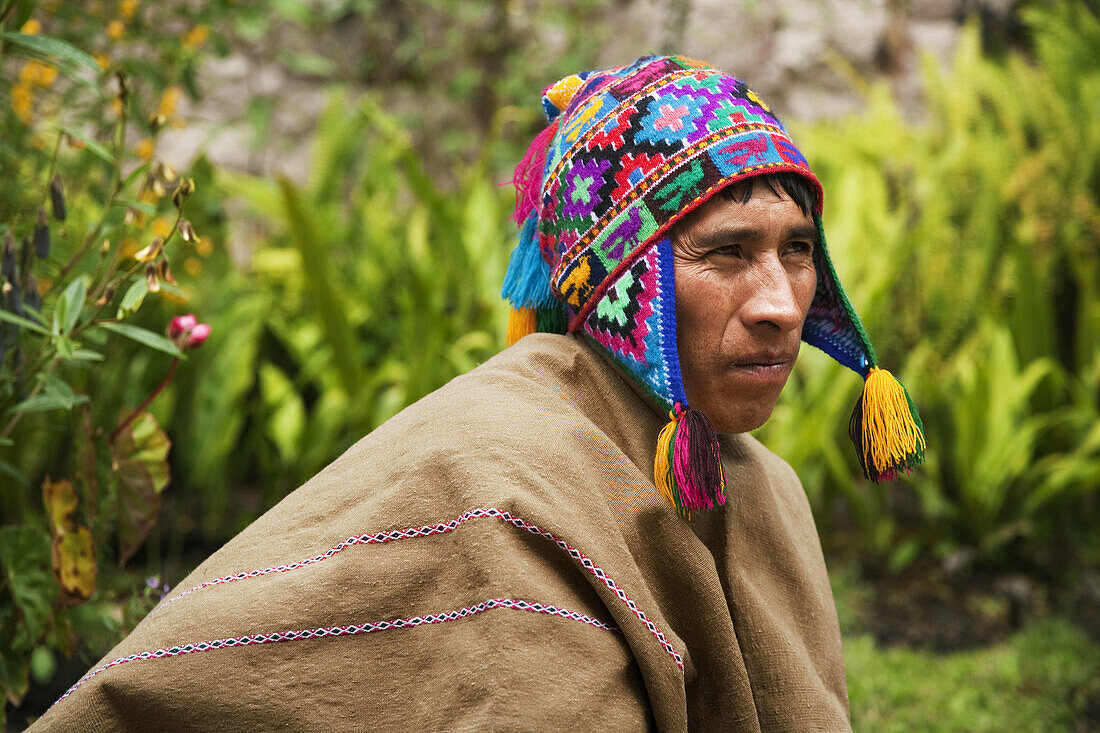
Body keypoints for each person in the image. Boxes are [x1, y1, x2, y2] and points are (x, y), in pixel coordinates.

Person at [32, 55, 924, 732]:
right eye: (726, 252)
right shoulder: (507, 484)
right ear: (626, 291)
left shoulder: (757, 482)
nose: (778, 303)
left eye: (797, 250)